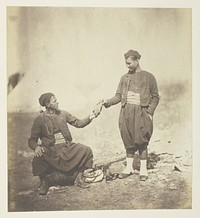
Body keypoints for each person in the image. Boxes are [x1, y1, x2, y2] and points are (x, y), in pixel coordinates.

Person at [101, 50, 160, 181]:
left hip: (141, 113)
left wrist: (149, 112)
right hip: (125, 112)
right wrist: (108, 102)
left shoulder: (148, 77)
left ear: (137, 60)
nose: (127, 66)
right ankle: (129, 168)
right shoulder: (124, 78)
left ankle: (143, 170)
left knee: (141, 140)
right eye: (126, 64)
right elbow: (118, 96)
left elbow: (155, 97)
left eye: (129, 63)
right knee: (127, 139)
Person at [28, 92, 100, 195]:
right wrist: (36, 148)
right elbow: (31, 140)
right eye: (54, 100)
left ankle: (79, 177)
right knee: (38, 157)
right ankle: (45, 182)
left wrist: (93, 115)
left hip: (66, 148)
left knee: (86, 150)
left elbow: (78, 123)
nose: (58, 102)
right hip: (51, 150)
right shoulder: (39, 120)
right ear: (48, 104)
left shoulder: (63, 114)